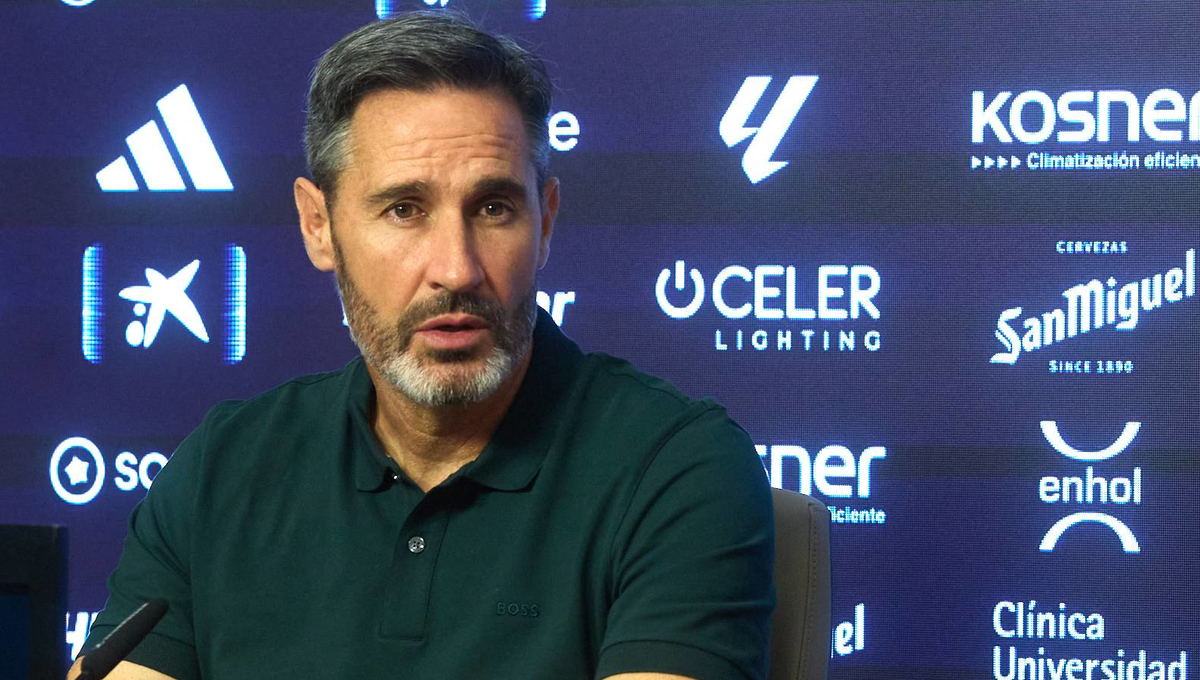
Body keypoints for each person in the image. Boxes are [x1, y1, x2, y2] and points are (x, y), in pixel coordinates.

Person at [70, 12, 774, 680]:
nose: (457, 269)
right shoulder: (222, 468)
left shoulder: (676, 466)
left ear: (545, 222)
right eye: (404, 210)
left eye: (494, 208)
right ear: (318, 226)